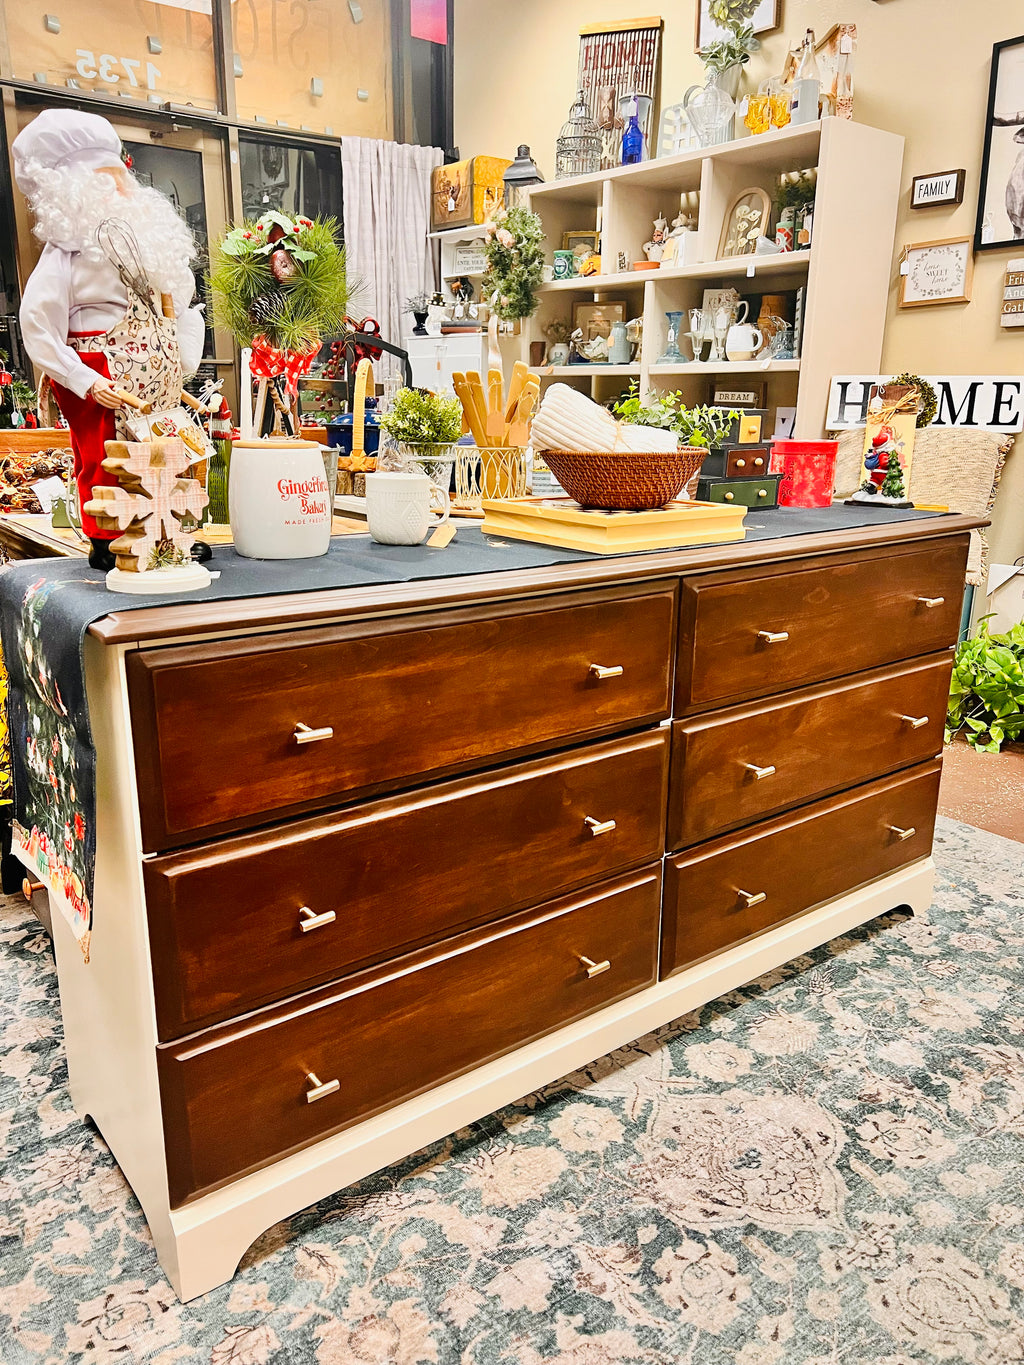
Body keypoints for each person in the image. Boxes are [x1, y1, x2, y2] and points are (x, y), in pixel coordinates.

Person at [13, 108, 207, 568]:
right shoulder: (66, 256)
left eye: (118, 174)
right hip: (101, 373)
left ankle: (167, 533)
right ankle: (109, 540)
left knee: (164, 456)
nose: (117, 186)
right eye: (102, 177)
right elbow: (38, 326)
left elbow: (179, 306)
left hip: (156, 379)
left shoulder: (151, 243)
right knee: (107, 461)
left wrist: (180, 356)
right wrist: (82, 379)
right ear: (72, 190)